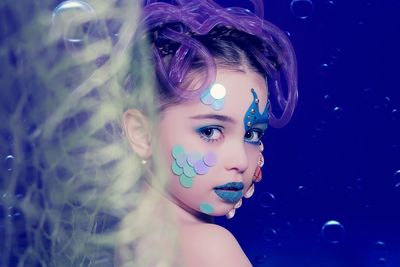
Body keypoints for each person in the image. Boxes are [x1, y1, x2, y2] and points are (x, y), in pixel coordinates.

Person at [119, 0, 298, 266]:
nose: (240, 161)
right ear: (142, 134)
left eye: (251, 134)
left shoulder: (124, 238)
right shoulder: (211, 247)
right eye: (211, 131)